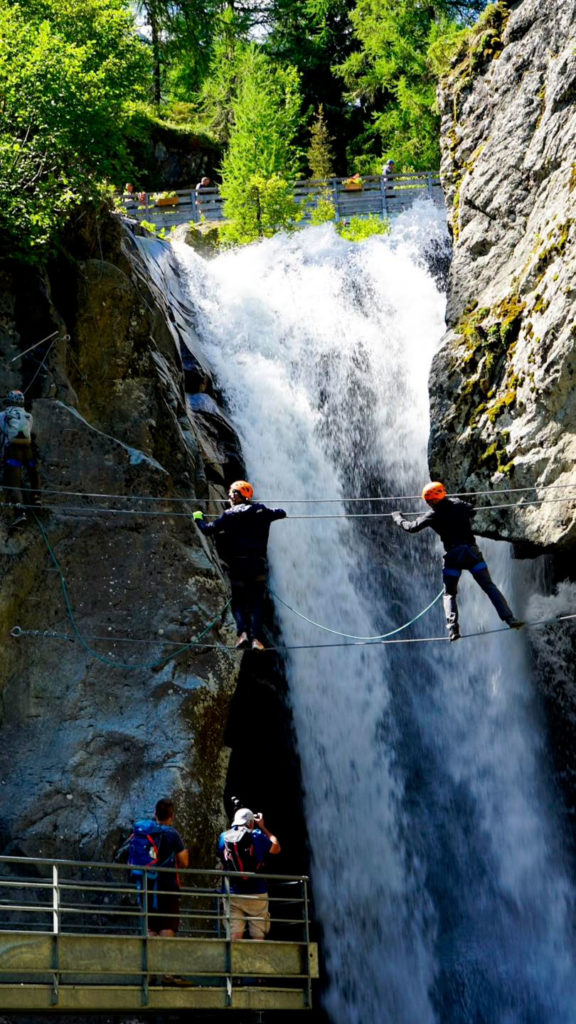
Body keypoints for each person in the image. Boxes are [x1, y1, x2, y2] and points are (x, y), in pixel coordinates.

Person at [391, 482, 524, 642]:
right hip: (472, 554)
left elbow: (411, 527)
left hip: (453, 557)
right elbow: (472, 510)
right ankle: (510, 619)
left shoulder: (432, 515)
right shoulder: (459, 504)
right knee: (489, 587)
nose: (427, 503)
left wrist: (397, 517)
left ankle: (453, 630)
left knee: (449, 594)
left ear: (431, 500)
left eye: (428, 500)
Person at [193, 481, 286, 651]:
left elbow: (207, 530)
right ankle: (257, 639)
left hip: (238, 564)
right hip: (258, 564)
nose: (229, 497)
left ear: (237, 496)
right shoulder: (261, 510)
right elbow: (281, 513)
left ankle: (242, 633)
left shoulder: (229, 515)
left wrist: (198, 518)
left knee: (238, 602)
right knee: (257, 602)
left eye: (231, 494)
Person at [218, 806, 281, 940]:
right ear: (251, 822)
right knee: (258, 934)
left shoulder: (224, 837)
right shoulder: (257, 835)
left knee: (235, 933)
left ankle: (233, 960)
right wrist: (263, 827)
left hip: (232, 892)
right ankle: (256, 960)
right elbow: (276, 847)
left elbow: (222, 859)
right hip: (256, 892)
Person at [0, 389, 41, 529]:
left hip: (13, 451)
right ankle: (37, 498)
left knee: (14, 483)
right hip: (28, 450)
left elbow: (4, 431)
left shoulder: (3, 415)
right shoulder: (28, 416)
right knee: (32, 471)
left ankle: (20, 512)